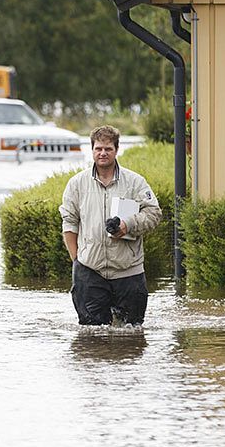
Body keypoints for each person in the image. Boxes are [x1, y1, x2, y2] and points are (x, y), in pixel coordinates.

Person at [59, 125, 162, 326]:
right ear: (92, 150)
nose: (103, 153)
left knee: (131, 338)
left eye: (108, 149)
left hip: (129, 272)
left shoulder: (135, 182)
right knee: (91, 339)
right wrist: (77, 261)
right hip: (89, 272)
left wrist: (127, 225)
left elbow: (154, 214)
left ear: (116, 150)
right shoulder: (76, 184)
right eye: (98, 149)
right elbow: (69, 222)